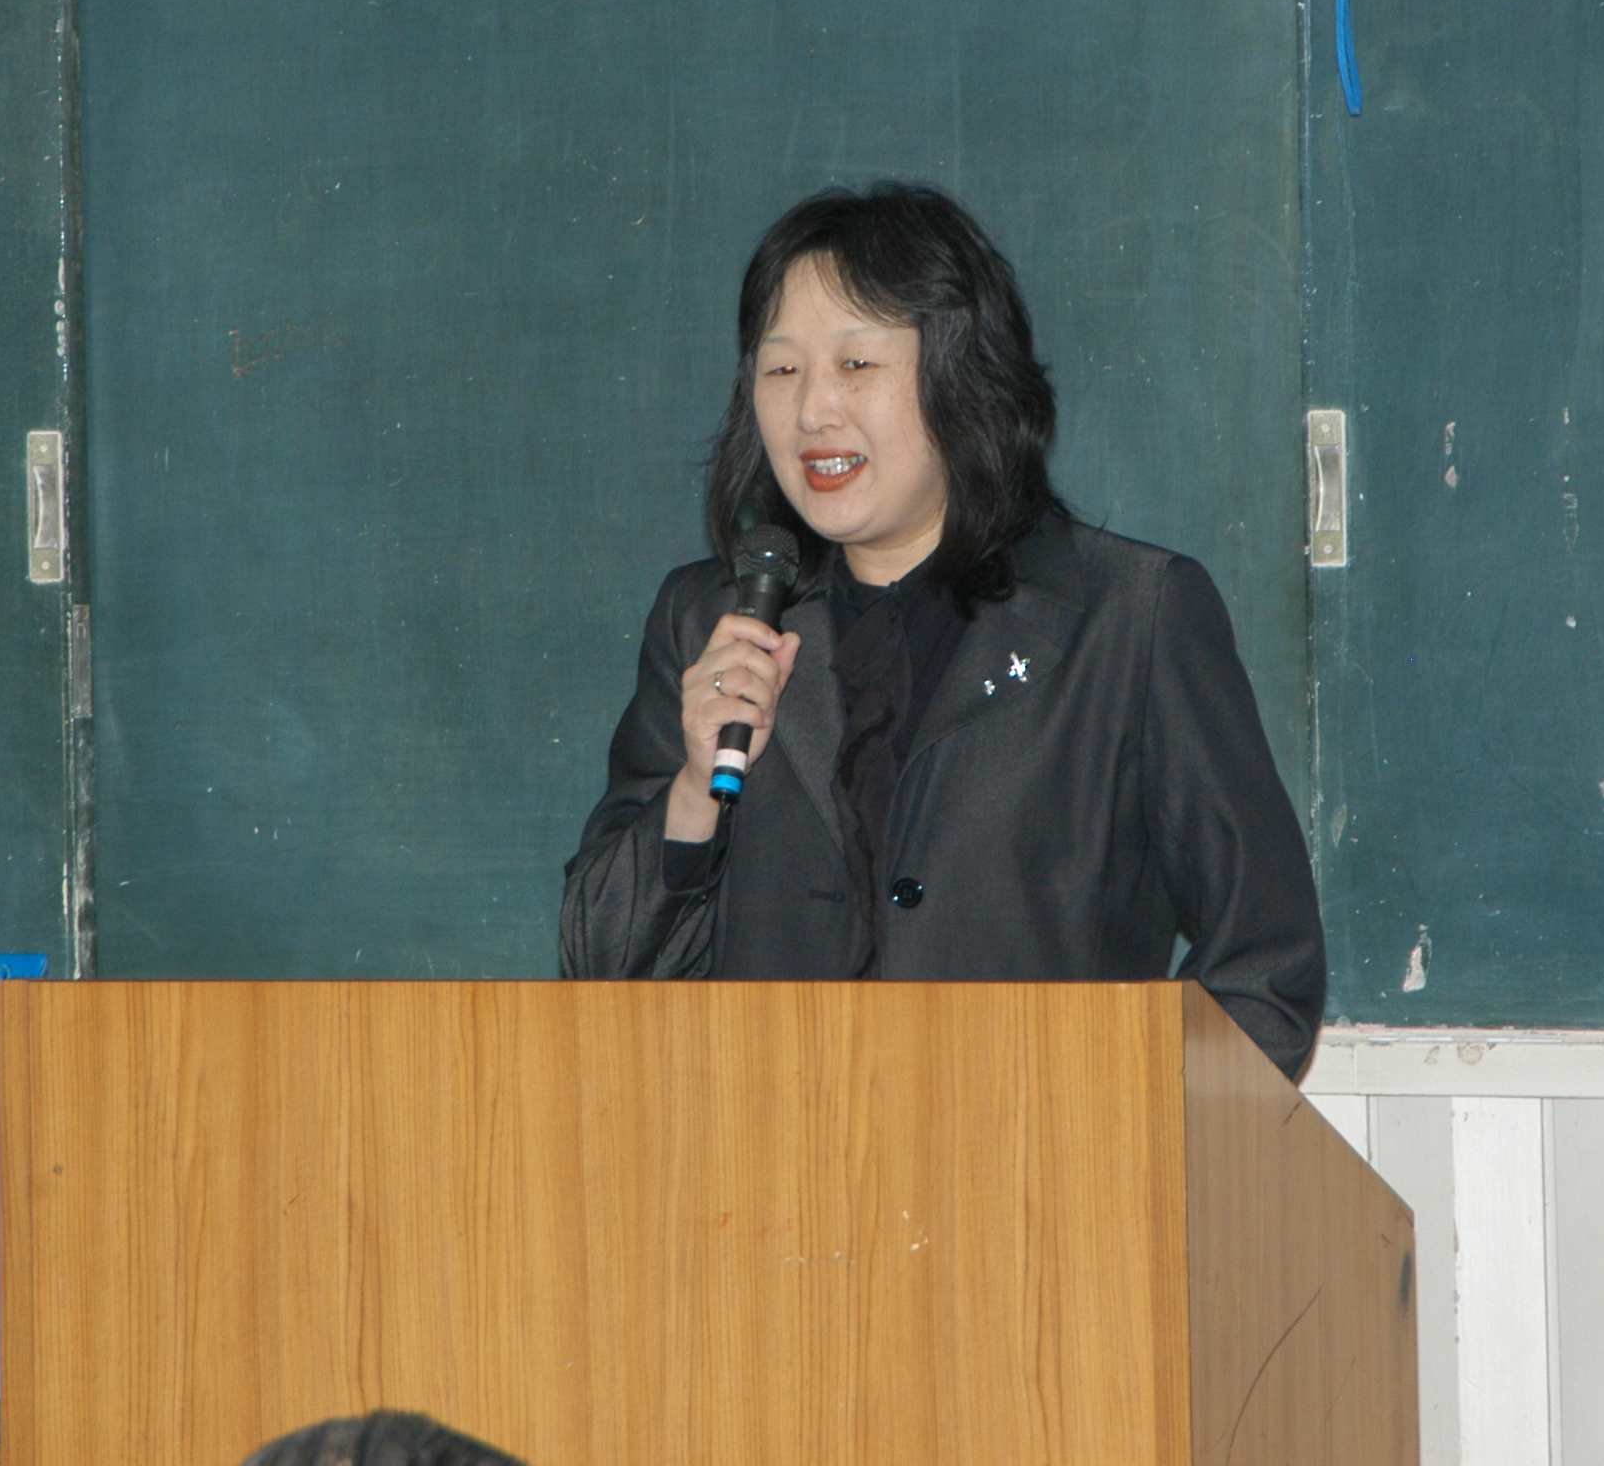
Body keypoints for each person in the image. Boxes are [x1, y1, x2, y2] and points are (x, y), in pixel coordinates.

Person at [558, 183, 1327, 1077]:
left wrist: (1116, 1131)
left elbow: (1265, 967)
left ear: (962, 375)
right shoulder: (708, 622)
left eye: (856, 364)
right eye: (780, 371)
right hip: (761, 1154)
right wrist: (695, 790)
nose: (812, 411)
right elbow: (598, 966)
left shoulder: (1129, 618)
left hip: (1043, 1155)